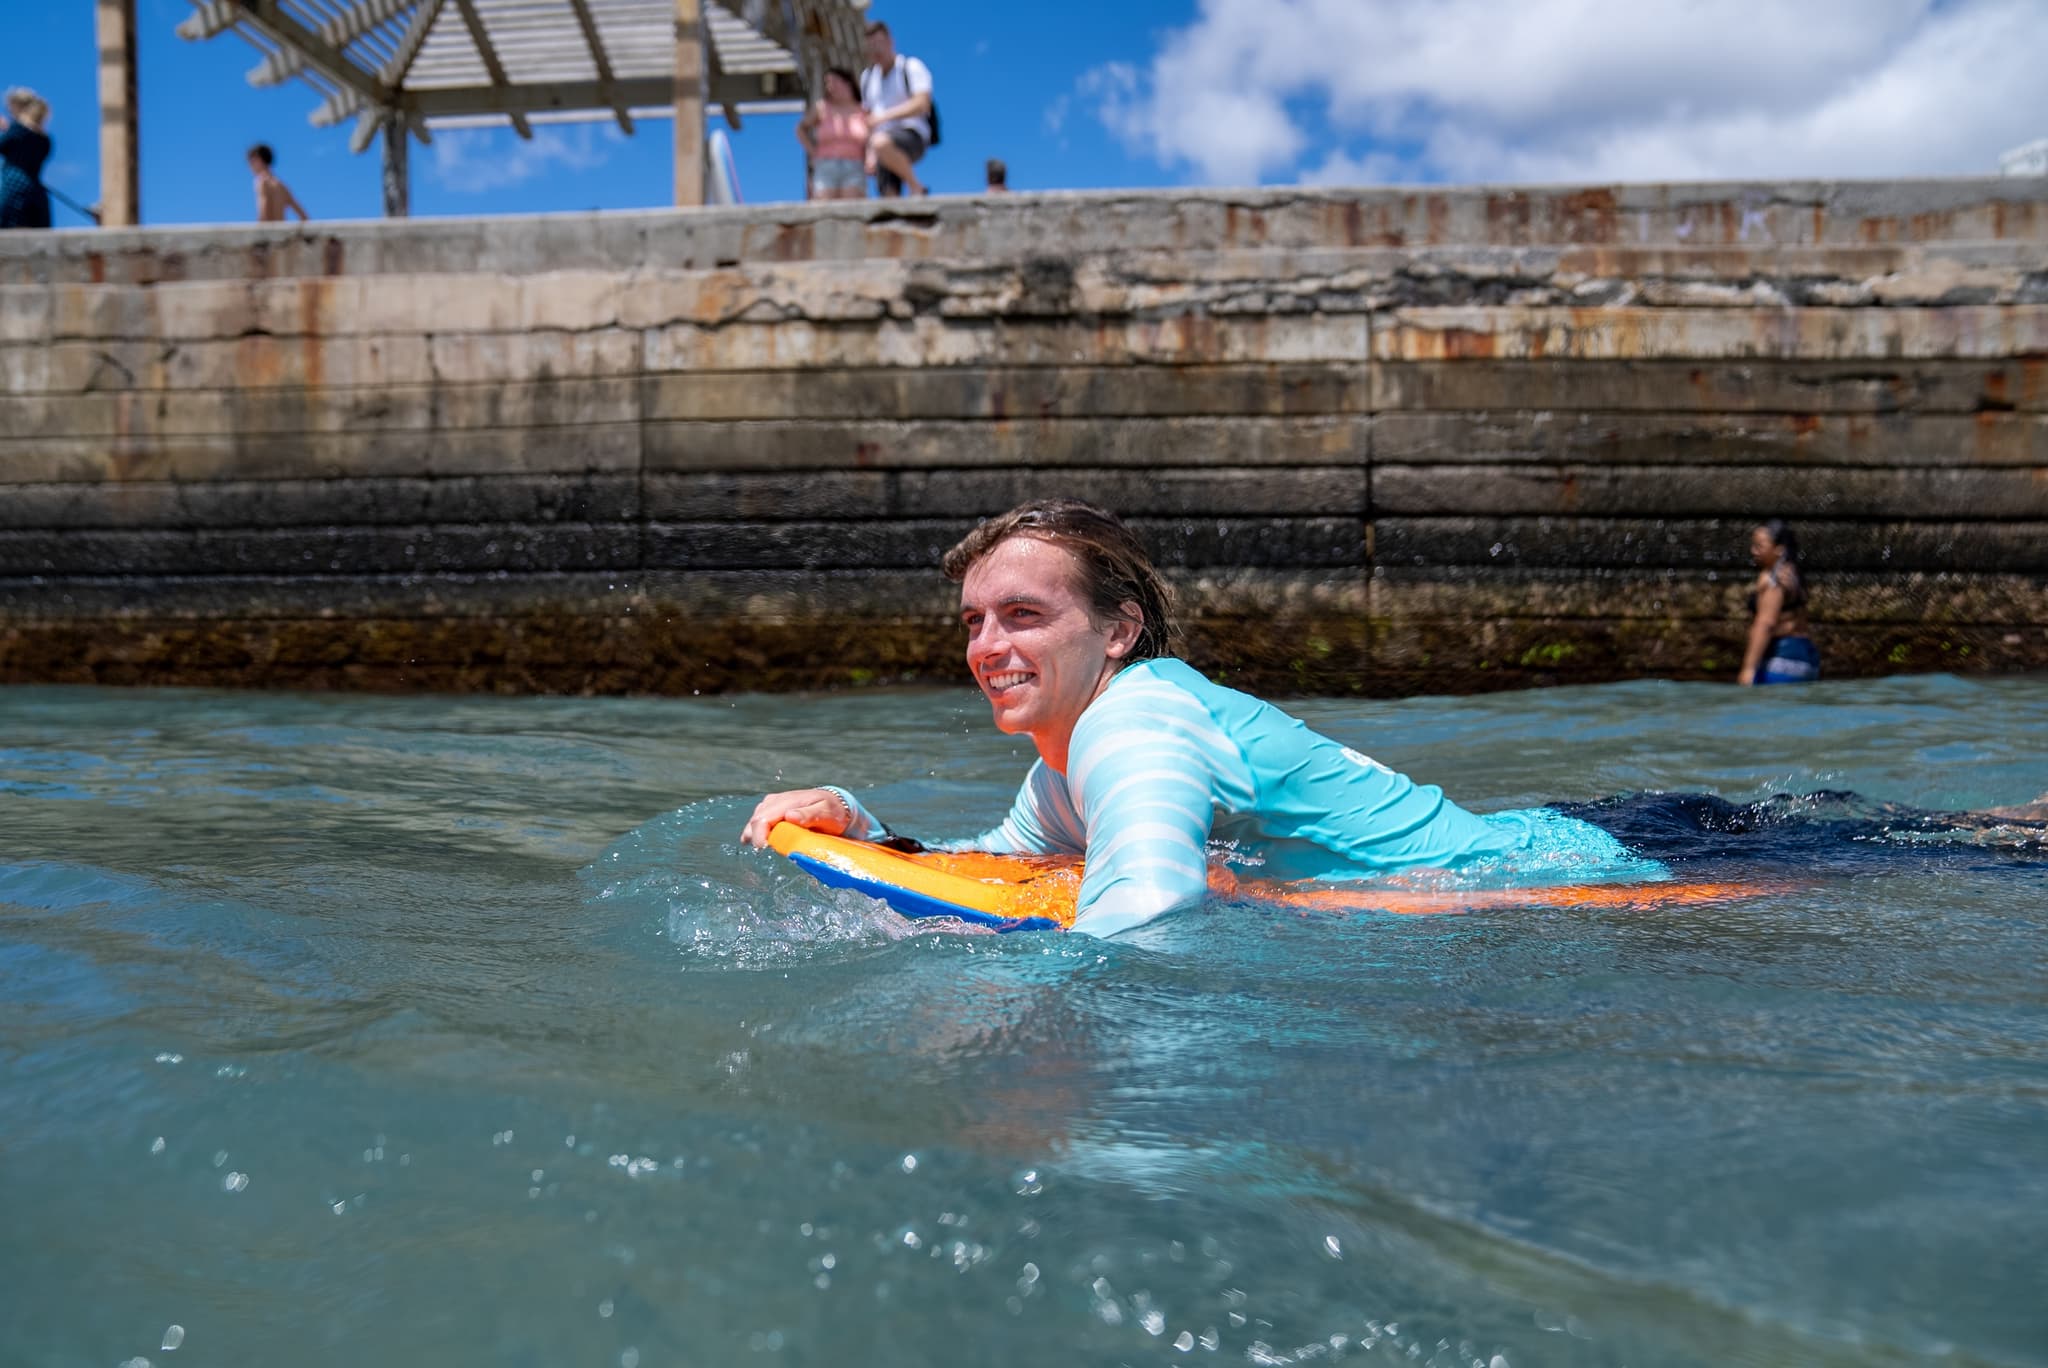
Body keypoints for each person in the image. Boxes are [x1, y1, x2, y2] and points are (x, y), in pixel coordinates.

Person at [741, 500, 1662, 937]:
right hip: (1548, 838)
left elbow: (1144, 912)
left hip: (1583, 868)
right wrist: (861, 824)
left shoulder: (1131, 729)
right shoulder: (1065, 759)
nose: (987, 646)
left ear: (1118, 632)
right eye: (975, 621)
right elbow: (1004, 868)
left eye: (1024, 614)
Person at [1738, 520, 1818, 686]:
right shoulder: (1793, 574)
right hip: (1807, 658)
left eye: (1760, 546)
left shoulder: (1772, 579)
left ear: (1779, 549)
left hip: (1780, 659)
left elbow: (1766, 623)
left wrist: (1748, 668)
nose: (1754, 551)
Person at [858, 20, 931, 198]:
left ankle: (916, 187)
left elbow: (922, 103)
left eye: (879, 43)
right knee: (888, 196)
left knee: (881, 142)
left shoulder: (910, 67)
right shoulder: (867, 78)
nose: (876, 50)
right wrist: (869, 154)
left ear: (890, 42)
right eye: (871, 46)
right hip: (880, 143)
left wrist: (884, 117)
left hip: (912, 134)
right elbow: (868, 120)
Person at [796, 67, 869, 201]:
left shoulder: (862, 111)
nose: (830, 87)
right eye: (827, 83)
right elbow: (800, 129)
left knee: (851, 208)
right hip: (825, 164)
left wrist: (871, 158)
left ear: (847, 83)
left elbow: (871, 136)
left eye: (834, 82)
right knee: (823, 207)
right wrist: (812, 151)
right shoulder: (822, 108)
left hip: (854, 165)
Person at [0, 88, 53, 230]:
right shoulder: (43, 137)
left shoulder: (17, 130)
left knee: (10, 246)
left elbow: (5, 144)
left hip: (15, 189)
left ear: (18, 107)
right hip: (37, 195)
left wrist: (7, 128)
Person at [247, 144, 308, 223]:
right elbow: (304, 216)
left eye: (251, 162)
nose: (250, 167)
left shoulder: (262, 182)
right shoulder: (282, 186)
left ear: (259, 160)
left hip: (267, 233)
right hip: (282, 233)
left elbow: (263, 213)